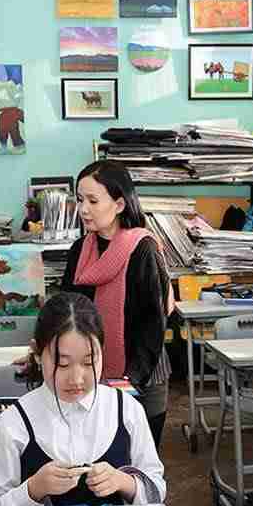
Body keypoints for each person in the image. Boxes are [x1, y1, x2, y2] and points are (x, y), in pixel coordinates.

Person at [0, 292, 165, 506]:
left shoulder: (126, 409)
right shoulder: (14, 423)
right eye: (63, 364)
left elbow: (157, 490)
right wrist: (33, 489)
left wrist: (123, 482)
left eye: (88, 362)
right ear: (37, 354)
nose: (76, 379)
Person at [61, 162, 174, 444]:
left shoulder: (143, 249)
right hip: (90, 376)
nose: (83, 209)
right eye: (79, 200)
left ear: (120, 204)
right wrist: (43, 348)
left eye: (93, 201)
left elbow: (153, 323)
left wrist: (128, 381)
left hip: (142, 376)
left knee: (139, 460)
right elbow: (67, 311)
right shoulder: (80, 250)